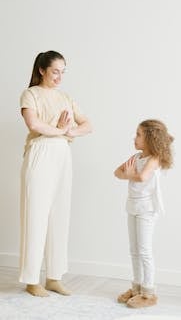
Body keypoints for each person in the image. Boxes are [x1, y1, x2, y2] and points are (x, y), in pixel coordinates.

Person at [19, 50, 92, 297]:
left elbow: (88, 125)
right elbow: (34, 125)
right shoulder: (31, 94)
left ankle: (54, 277)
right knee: (36, 214)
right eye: (55, 71)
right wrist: (61, 130)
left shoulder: (65, 97)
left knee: (60, 214)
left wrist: (68, 131)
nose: (59, 77)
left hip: (62, 154)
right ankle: (31, 280)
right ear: (42, 70)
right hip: (40, 152)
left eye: (63, 72)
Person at [114, 119, 174, 308]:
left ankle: (149, 293)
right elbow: (117, 172)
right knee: (134, 250)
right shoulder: (136, 157)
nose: (135, 137)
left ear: (150, 138)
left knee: (144, 251)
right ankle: (137, 287)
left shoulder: (154, 158)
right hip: (132, 207)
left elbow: (142, 177)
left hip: (147, 209)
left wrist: (129, 174)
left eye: (139, 134)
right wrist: (127, 173)